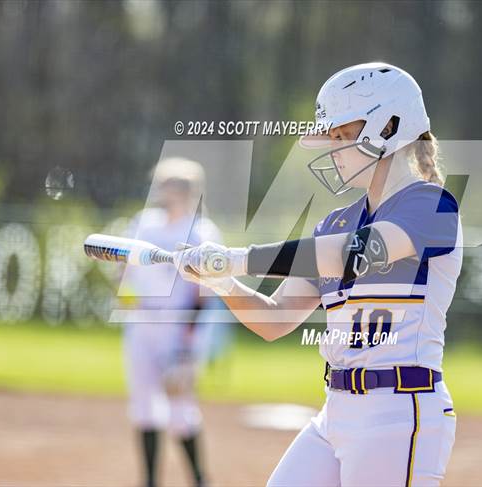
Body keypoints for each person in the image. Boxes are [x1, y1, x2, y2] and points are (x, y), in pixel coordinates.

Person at [176, 63, 462, 486]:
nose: (334, 150)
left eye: (342, 136)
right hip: (335, 412)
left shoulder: (431, 204)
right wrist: (223, 283)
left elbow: (353, 255)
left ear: (388, 127)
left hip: (398, 410)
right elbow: (275, 318)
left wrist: (238, 258)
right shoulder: (335, 222)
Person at [120, 158, 223, 487]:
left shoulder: (201, 232)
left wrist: (188, 345)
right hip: (142, 323)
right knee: (143, 405)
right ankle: (150, 481)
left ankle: (199, 479)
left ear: (191, 192)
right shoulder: (143, 224)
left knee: (180, 406)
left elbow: (204, 295)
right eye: (165, 185)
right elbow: (122, 273)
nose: (168, 192)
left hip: (179, 327)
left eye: (176, 186)